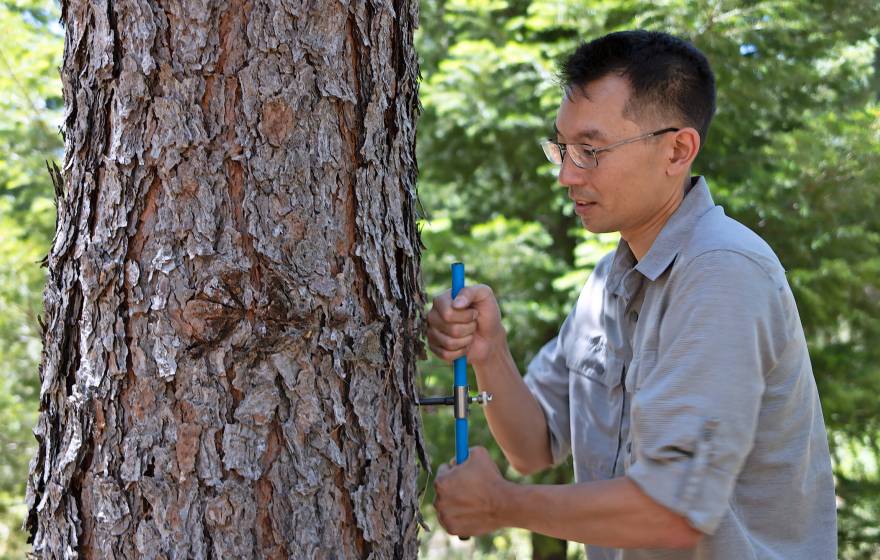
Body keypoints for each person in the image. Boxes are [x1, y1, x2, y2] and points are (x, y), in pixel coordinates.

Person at [427, 30, 837, 559]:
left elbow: (671, 513)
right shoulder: (609, 281)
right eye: (563, 147)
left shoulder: (722, 271)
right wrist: (490, 350)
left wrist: (500, 505)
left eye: (591, 150)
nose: (565, 174)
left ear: (677, 149)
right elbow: (532, 446)